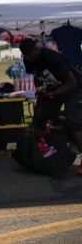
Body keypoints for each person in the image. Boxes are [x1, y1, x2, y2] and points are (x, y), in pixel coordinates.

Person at [19, 38, 82, 175]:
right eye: (26, 56)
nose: (29, 58)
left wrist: (52, 93)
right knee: (41, 115)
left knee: (73, 120)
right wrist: (40, 88)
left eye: (31, 54)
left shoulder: (52, 58)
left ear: (37, 49)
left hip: (73, 88)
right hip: (54, 88)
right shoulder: (28, 60)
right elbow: (37, 75)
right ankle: (40, 150)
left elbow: (72, 83)